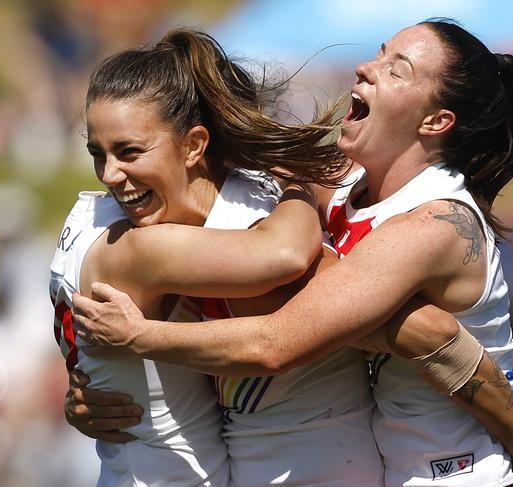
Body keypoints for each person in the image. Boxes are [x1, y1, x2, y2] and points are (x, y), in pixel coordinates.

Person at [72, 19, 513, 487]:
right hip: (386, 467)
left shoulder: (434, 225)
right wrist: (106, 386)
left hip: (463, 472)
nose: (365, 69)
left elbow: (279, 344)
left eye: (396, 69)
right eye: (378, 55)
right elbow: (281, 179)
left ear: (436, 121)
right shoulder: (345, 188)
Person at [49, 27, 381, 486]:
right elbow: (281, 255)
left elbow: (413, 332)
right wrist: (297, 181)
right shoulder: (142, 245)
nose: (109, 175)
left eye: (128, 152)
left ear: (194, 145)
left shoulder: (102, 221)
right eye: (98, 154)